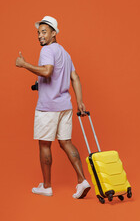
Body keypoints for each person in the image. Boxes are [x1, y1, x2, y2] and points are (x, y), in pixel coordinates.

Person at [15, 16, 91, 198]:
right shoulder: (65, 53)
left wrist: (24, 64)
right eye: (38, 33)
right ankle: (82, 181)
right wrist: (80, 101)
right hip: (65, 105)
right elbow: (75, 77)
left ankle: (47, 186)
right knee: (66, 142)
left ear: (54, 33)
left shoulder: (47, 50)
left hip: (48, 107)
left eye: (44, 32)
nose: (40, 36)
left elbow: (48, 71)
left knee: (44, 145)